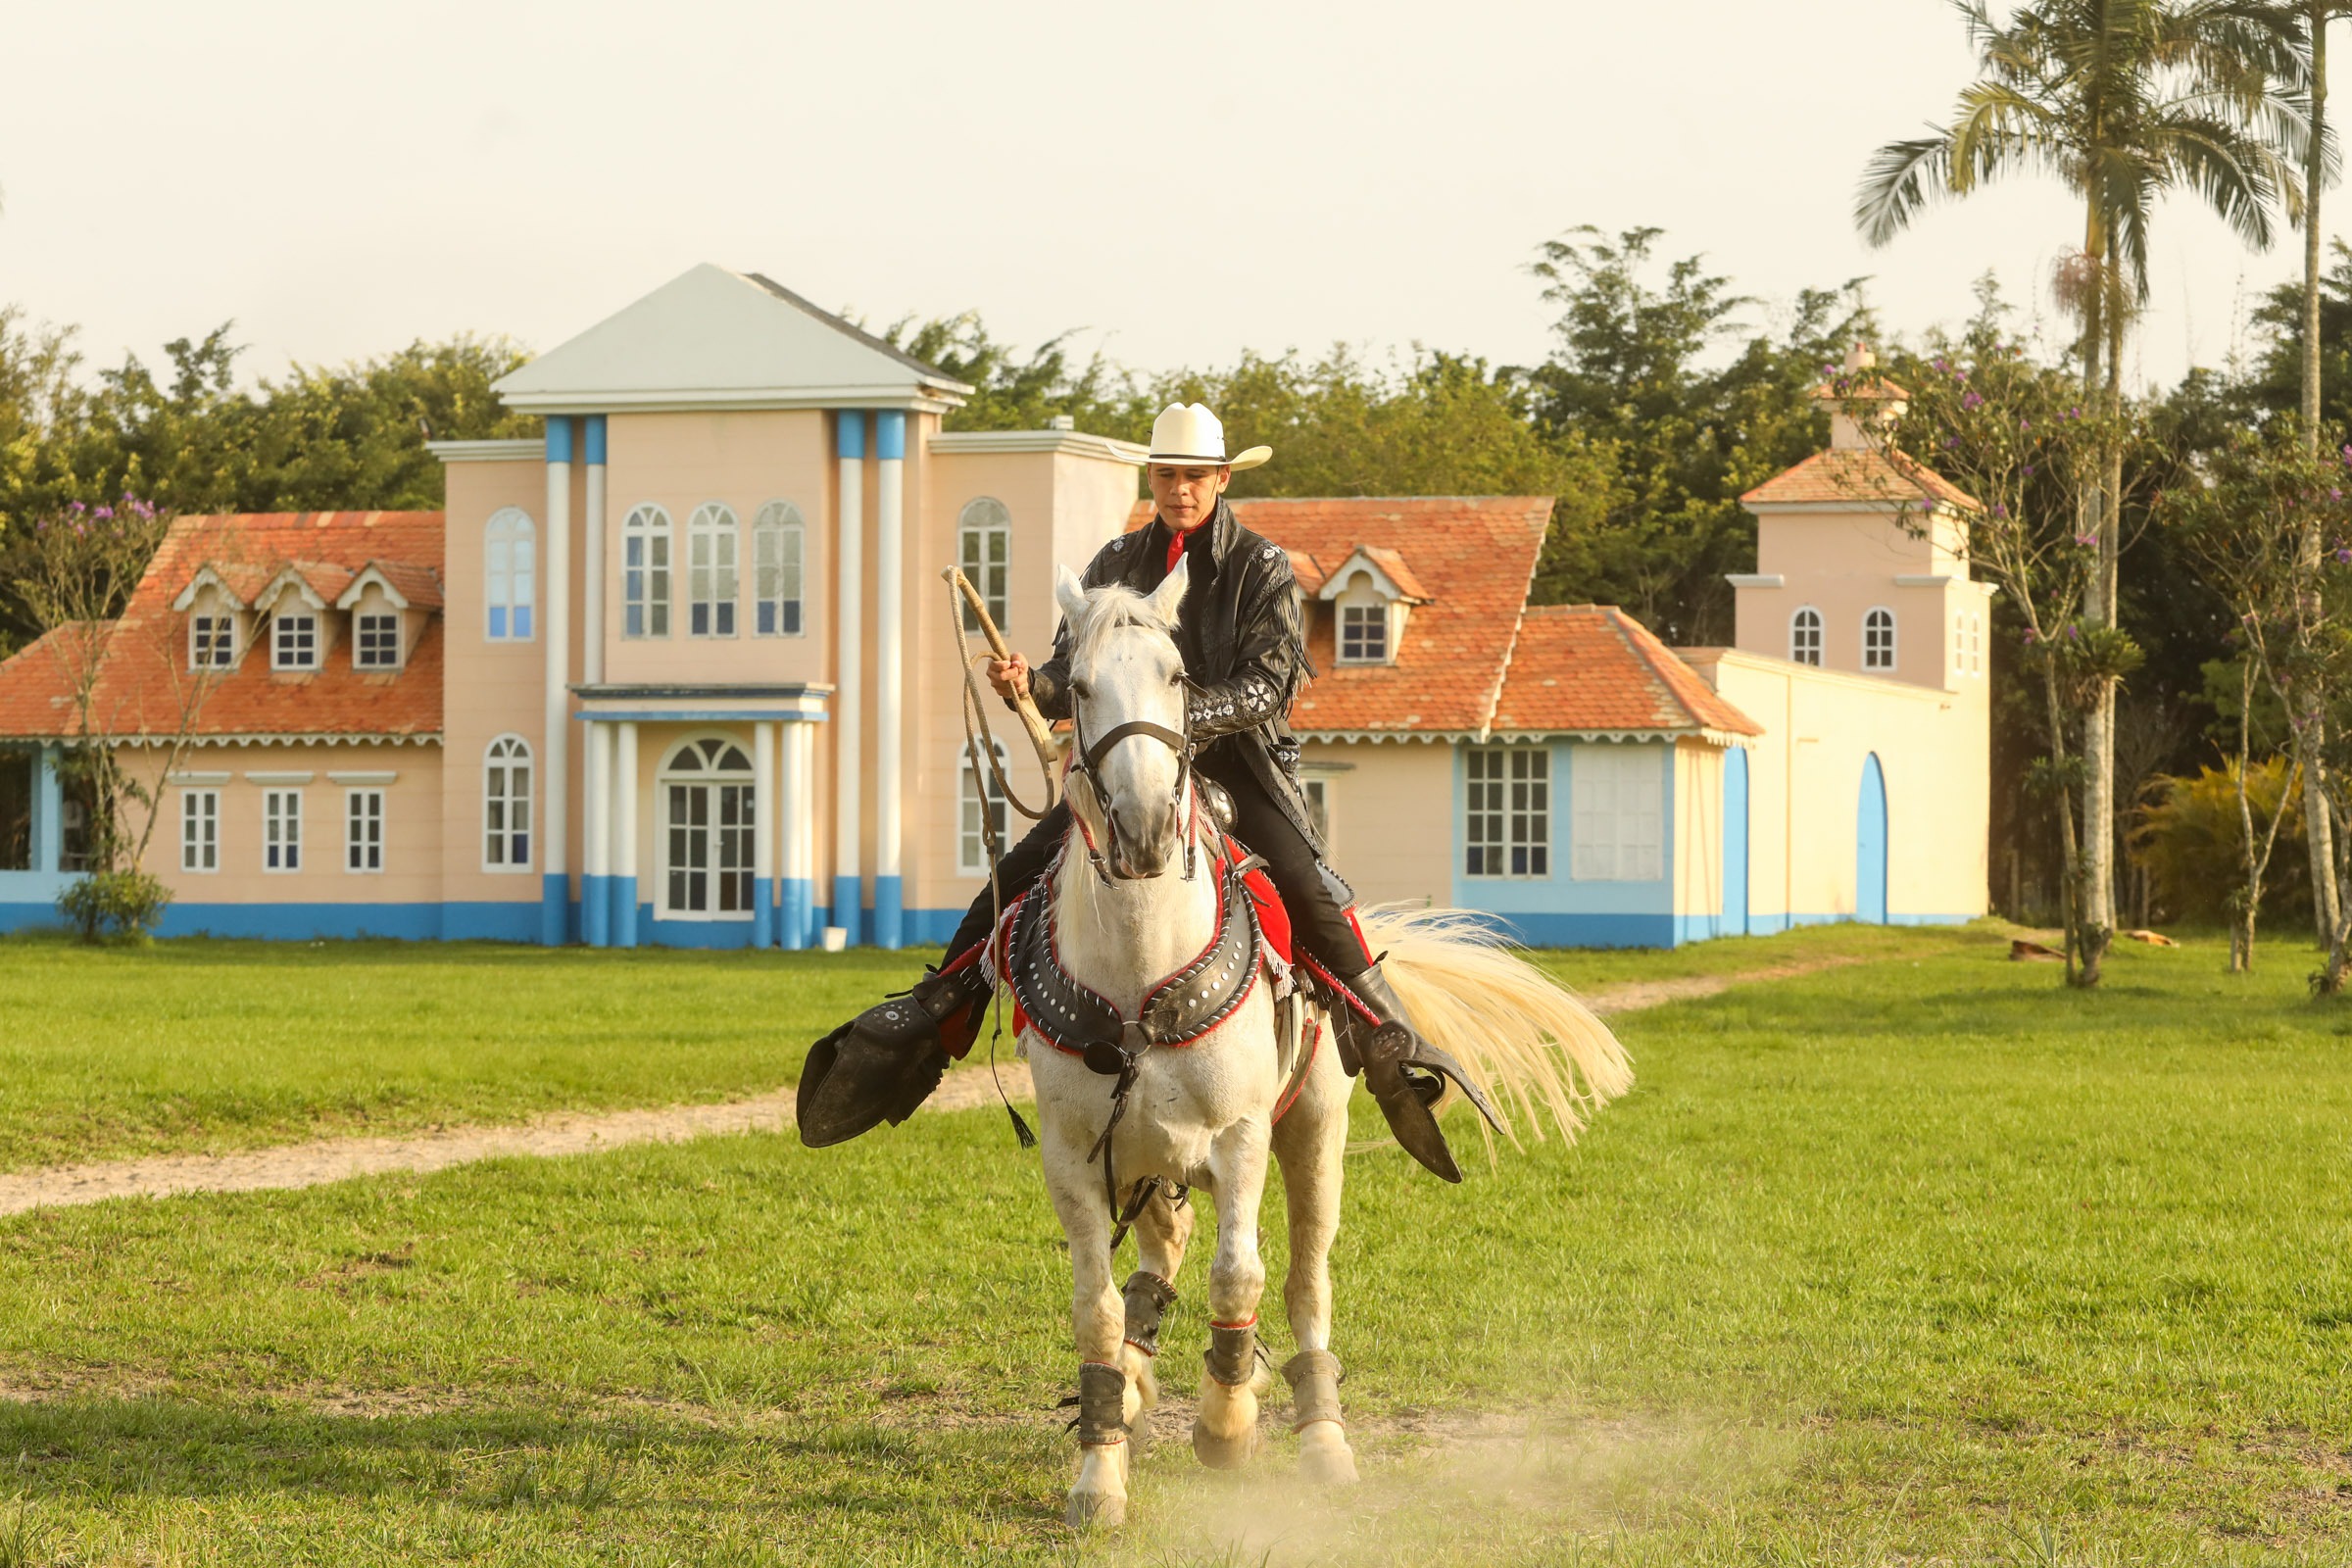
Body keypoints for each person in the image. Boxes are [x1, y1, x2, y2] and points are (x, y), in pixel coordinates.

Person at [795, 403, 1487, 1180]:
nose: (1181, 489)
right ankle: (932, 1019)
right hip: (1123, 777)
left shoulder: (1261, 567)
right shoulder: (1113, 563)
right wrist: (1035, 682)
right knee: (1013, 879)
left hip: (1237, 768)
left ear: (1222, 480)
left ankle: (1392, 1043)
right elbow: (1070, 679)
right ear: (1151, 479)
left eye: (1195, 476)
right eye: (1167, 475)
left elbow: (1268, 685)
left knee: (1307, 884)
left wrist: (1165, 714)